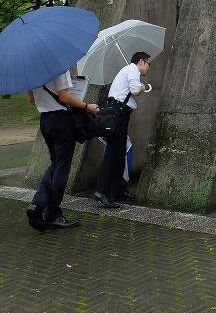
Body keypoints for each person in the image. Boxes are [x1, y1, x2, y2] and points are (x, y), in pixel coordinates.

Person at [26, 71, 99, 232]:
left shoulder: (31, 70)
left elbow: (31, 99)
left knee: (56, 164)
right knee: (62, 167)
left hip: (45, 121)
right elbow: (64, 97)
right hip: (61, 121)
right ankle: (52, 214)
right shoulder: (59, 68)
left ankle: (38, 204)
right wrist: (87, 106)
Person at [93, 52, 152, 209]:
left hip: (119, 114)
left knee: (119, 154)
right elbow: (134, 91)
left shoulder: (128, 70)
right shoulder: (132, 70)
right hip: (117, 115)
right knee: (114, 154)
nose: (149, 67)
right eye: (148, 64)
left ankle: (117, 190)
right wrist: (143, 86)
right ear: (141, 61)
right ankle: (102, 192)